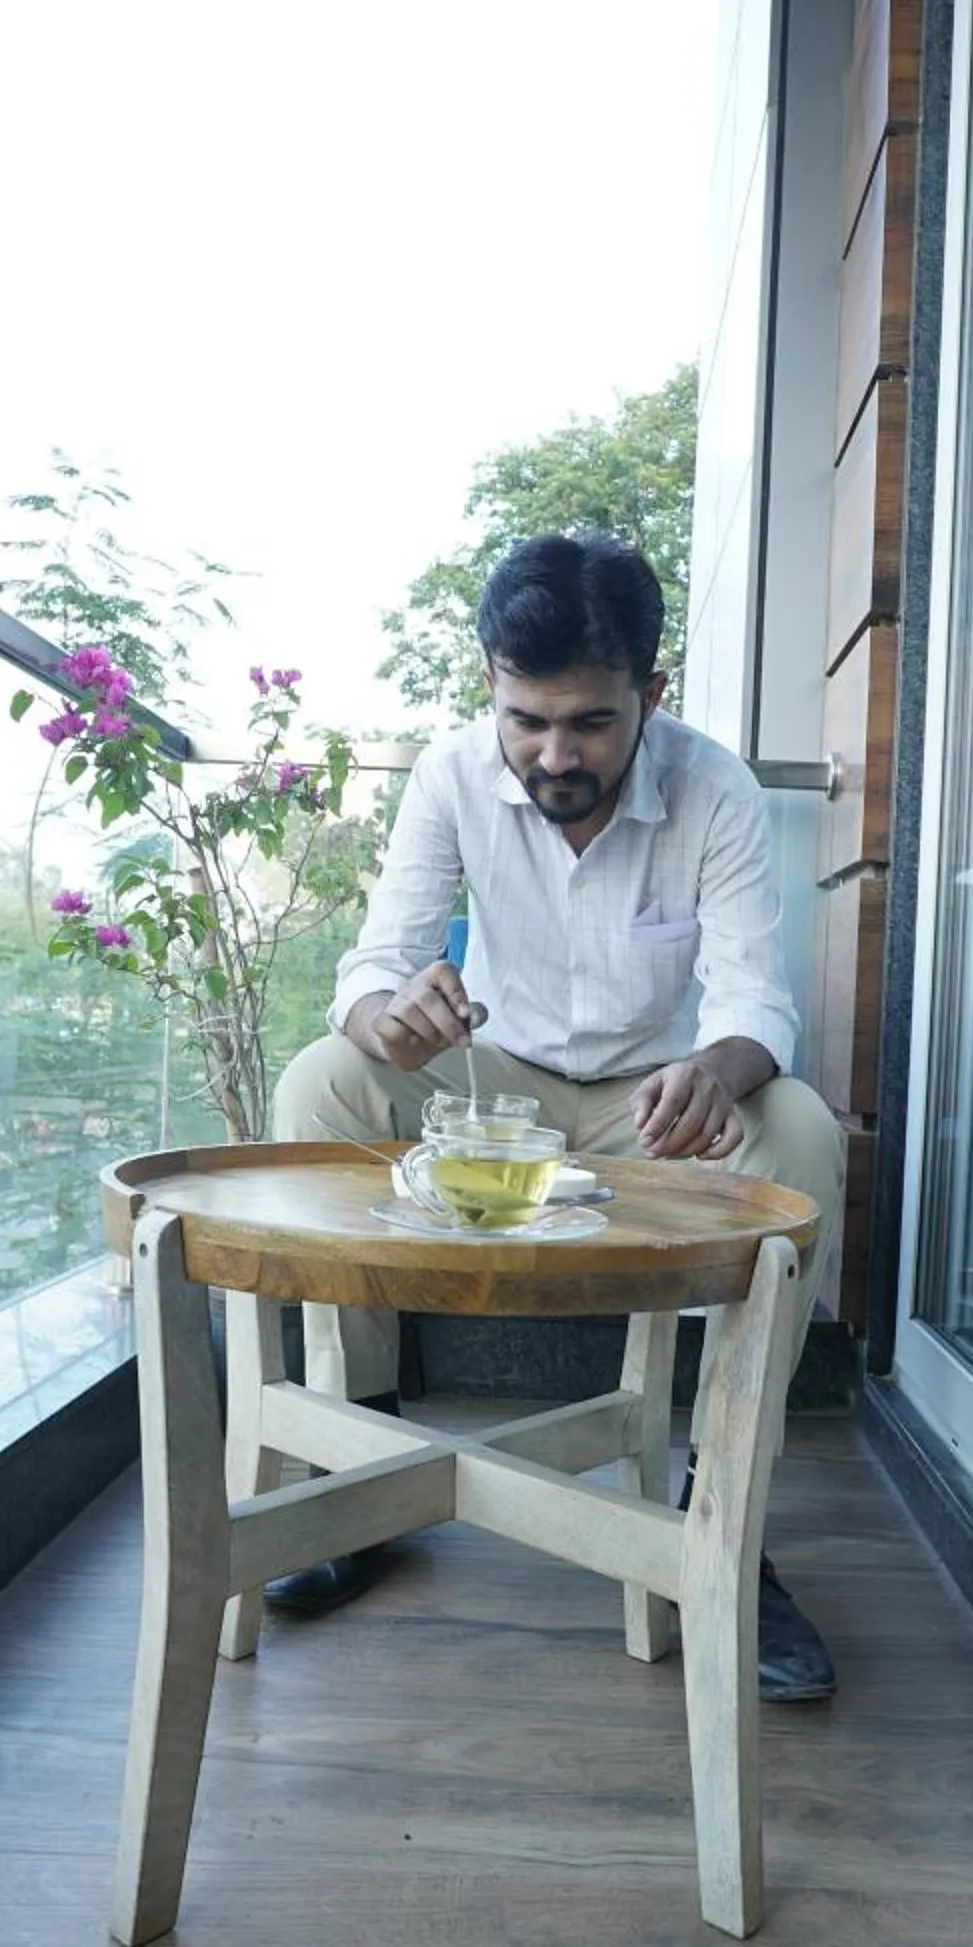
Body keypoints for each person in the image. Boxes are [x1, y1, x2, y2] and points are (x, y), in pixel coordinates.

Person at [270, 532, 846, 1699]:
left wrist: (718, 1069)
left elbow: (754, 1001)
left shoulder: (715, 788)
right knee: (323, 1082)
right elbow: (373, 965)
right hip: (497, 1086)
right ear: (491, 682)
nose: (553, 753)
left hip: (658, 1102)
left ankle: (725, 1515)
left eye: (590, 722)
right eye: (525, 719)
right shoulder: (449, 775)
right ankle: (359, 1475)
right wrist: (389, 1019)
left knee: (802, 1131)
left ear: (652, 694)